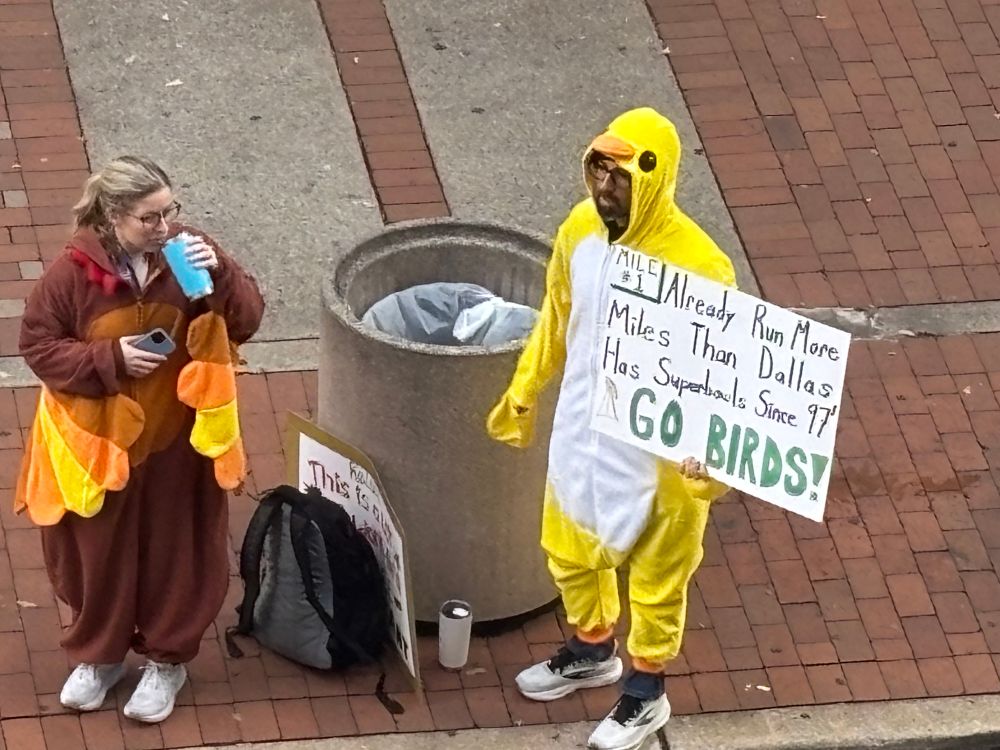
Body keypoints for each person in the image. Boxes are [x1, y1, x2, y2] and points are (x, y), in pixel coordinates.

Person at [487, 108, 736, 750]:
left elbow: (730, 378)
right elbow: (555, 317)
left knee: (659, 580)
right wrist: (524, 390)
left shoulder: (702, 266)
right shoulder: (579, 230)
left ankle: (646, 693)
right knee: (568, 550)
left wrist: (716, 465)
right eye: (598, 172)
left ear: (653, 177)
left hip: (661, 457)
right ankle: (593, 649)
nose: (604, 191)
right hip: (582, 428)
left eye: (619, 177)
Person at [15, 156, 264, 724]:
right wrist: (110, 358)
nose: (165, 227)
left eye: (169, 211)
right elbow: (38, 347)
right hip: (96, 444)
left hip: (178, 436)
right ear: (112, 216)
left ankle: (166, 659)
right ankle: (100, 656)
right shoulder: (71, 274)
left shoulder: (190, 254)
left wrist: (222, 274)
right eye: (149, 218)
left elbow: (247, 320)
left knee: (177, 551)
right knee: (95, 556)